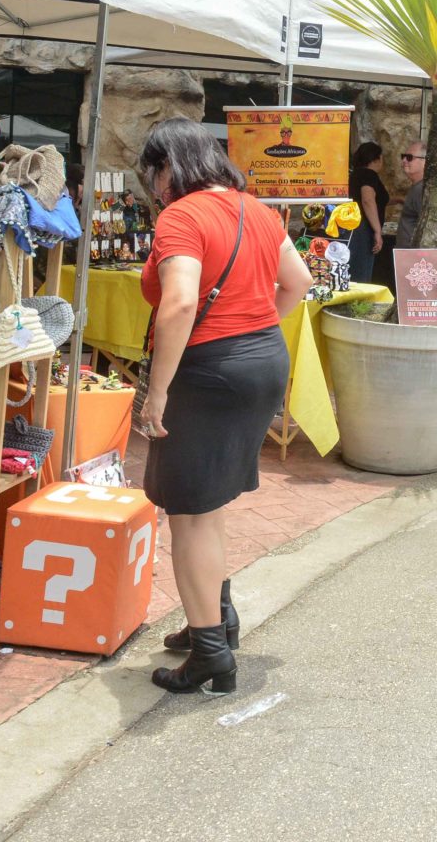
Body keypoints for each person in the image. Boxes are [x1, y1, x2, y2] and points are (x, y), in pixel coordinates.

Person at [135, 118, 308, 694]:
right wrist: (252, 331)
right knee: (208, 501)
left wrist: (157, 392)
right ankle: (214, 617)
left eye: (153, 173)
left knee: (189, 510)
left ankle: (211, 651)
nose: (154, 186)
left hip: (209, 372)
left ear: (169, 167)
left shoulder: (180, 216)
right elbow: (298, 282)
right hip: (264, 360)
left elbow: (181, 303)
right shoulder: (255, 209)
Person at [347, 141, 388, 284]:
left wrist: (396, 200)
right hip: (362, 229)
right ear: (377, 159)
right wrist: (377, 231)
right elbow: (368, 200)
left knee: (350, 271)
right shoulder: (369, 175)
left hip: (350, 227)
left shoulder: (355, 175)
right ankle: (359, 304)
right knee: (361, 274)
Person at [394, 139, 427, 249]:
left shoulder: (422, 190)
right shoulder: (417, 187)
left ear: (425, 162)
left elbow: (427, 228)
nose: (404, 160)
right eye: (403, 156)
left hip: (416, 257)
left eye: (409, 157)